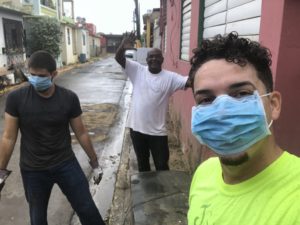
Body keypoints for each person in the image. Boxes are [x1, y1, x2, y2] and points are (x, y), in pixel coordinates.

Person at [187, 32, 300, 225]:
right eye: (206, 100)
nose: (222, 113)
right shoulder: (203, 173)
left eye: (241, 94)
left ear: (273, 105)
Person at [0, 50, 106, 225]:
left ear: (54, 74)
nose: (34, 79)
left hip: (65, 163)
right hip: (33, 170)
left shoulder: (68, 98)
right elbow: (8, 137)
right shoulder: (16, 99)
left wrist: (95, 163)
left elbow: (81, 132)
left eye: (40, 76)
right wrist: (1, 171)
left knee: (87, 209)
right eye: (31, 74)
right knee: (38, 218)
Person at [115, 32, 190, 172]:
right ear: (147, 59)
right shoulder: (137, 70)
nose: (154, 59)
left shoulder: (171, 78)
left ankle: (162, 193)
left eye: (157, 57)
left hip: (158, 133)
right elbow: (119, 58)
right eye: (151, 57)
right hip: (137, 130)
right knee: (143, 166)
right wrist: (123, 47)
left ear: (162, 59)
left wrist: (201, 63)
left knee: (162, 166)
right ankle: (147, 193)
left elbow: (190, 81)